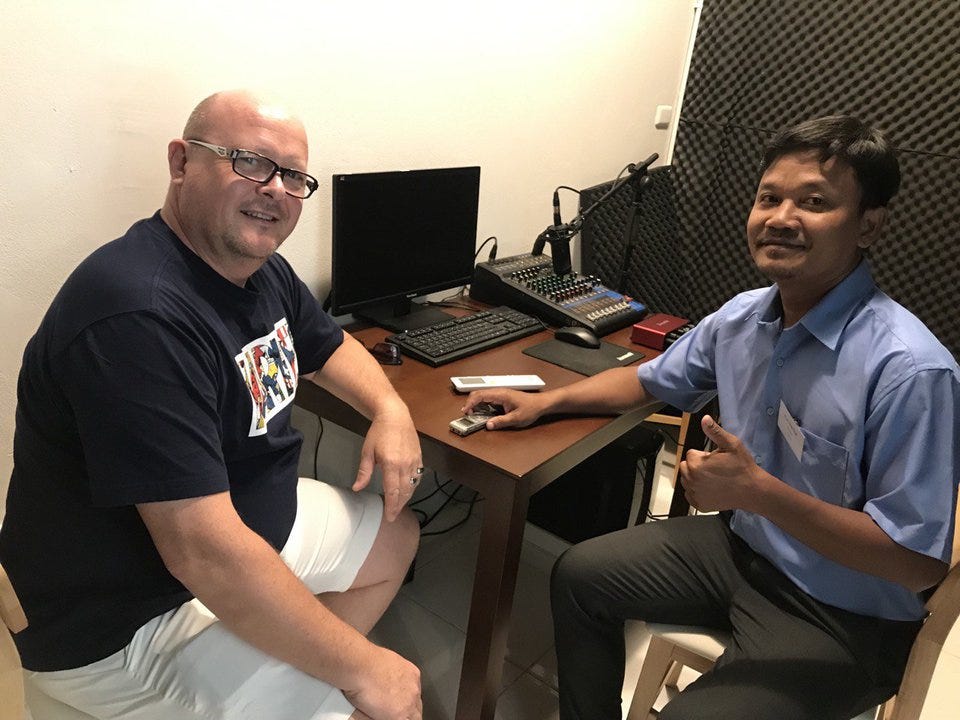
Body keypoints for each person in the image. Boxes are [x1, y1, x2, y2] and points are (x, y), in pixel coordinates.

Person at [463, 115, 960, 719]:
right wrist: (545, 401)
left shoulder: (911, 370)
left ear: (869, 226)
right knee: (579, 576)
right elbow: (649, 380)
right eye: (768, 197)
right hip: (743, 551)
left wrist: (760, 494)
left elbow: (915, 562)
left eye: (814, 202)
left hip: (843, 614)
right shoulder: (745, 316)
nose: (780, 217)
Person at [0, 90, 424, 720]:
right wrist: (363, 670)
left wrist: (391, 410)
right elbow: (202, 550)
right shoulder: (136, 315)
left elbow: (329, 346)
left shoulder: (257, 268)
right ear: (181, 164)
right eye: (249, 162)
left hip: (241, 530)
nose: (275, 188)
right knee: (362, 701)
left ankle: (296, 668)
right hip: (129, 616)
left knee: (397, 535)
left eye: (293, 176)